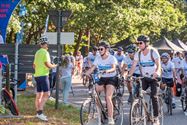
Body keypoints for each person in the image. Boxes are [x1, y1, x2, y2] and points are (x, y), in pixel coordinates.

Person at [128, 35, 161, 125]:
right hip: (144, 78)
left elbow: (158, 65)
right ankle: (144, 107)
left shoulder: (153, 52)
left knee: (154, 96)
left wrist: (157, 72)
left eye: (140, 43)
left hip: (154, 78)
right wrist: (128, 76)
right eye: (137, 43)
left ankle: (156, 117)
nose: (138, 45)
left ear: (146, 43)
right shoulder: (138, 53)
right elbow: (134, 66)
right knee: (138, 95)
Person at [85, 41, 117, 125]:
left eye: (101, 49)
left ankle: (110, 119)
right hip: (102, 78)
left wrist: (108, 70)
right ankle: (100, 113)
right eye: (98, 49)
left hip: (111, 78)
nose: (99, 50)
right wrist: (86, 73)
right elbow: (93, 67)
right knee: (95, 93)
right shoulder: (98, 57)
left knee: (108, 97)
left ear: (106, 49)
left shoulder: (111, 58)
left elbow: (114, 68)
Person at [33, 36, 57, 121]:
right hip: (43, 76)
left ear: (40, 44)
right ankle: (40, 113)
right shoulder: (45, 52)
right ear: (46, 44)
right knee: (47, 94)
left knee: (39, 95)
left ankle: (37, 112)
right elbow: (47, 64)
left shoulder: (37, 52)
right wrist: (55, 65)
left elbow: (34, 65)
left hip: (37, 76)